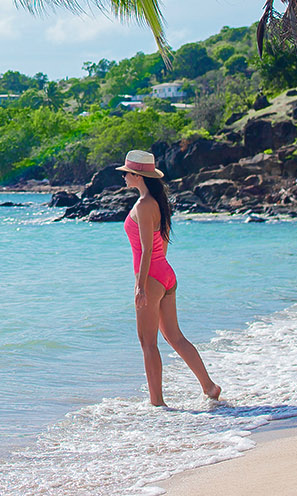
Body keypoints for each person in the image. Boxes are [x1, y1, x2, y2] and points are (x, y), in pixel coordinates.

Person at [119, 149, 221, 405]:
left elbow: (145, 250)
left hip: (152, 276)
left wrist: (140, 286)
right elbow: (161, 245)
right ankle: (209, 387)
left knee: (148, 342)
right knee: (174, 337)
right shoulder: (159, 203)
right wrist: (157, 273)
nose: (124, 178)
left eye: (127, 173)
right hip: (165, 272)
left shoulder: (143, 205)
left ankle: (157, 403)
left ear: (138, 176)